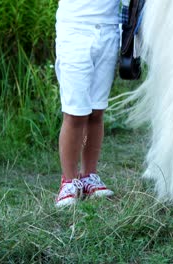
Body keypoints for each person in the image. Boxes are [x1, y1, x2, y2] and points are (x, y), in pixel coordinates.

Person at [54, 0, 121, 207]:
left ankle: (89, 176)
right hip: (75, 28)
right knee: (75, 113)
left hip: (109, 29)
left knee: (96, 111)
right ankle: (69, 181)